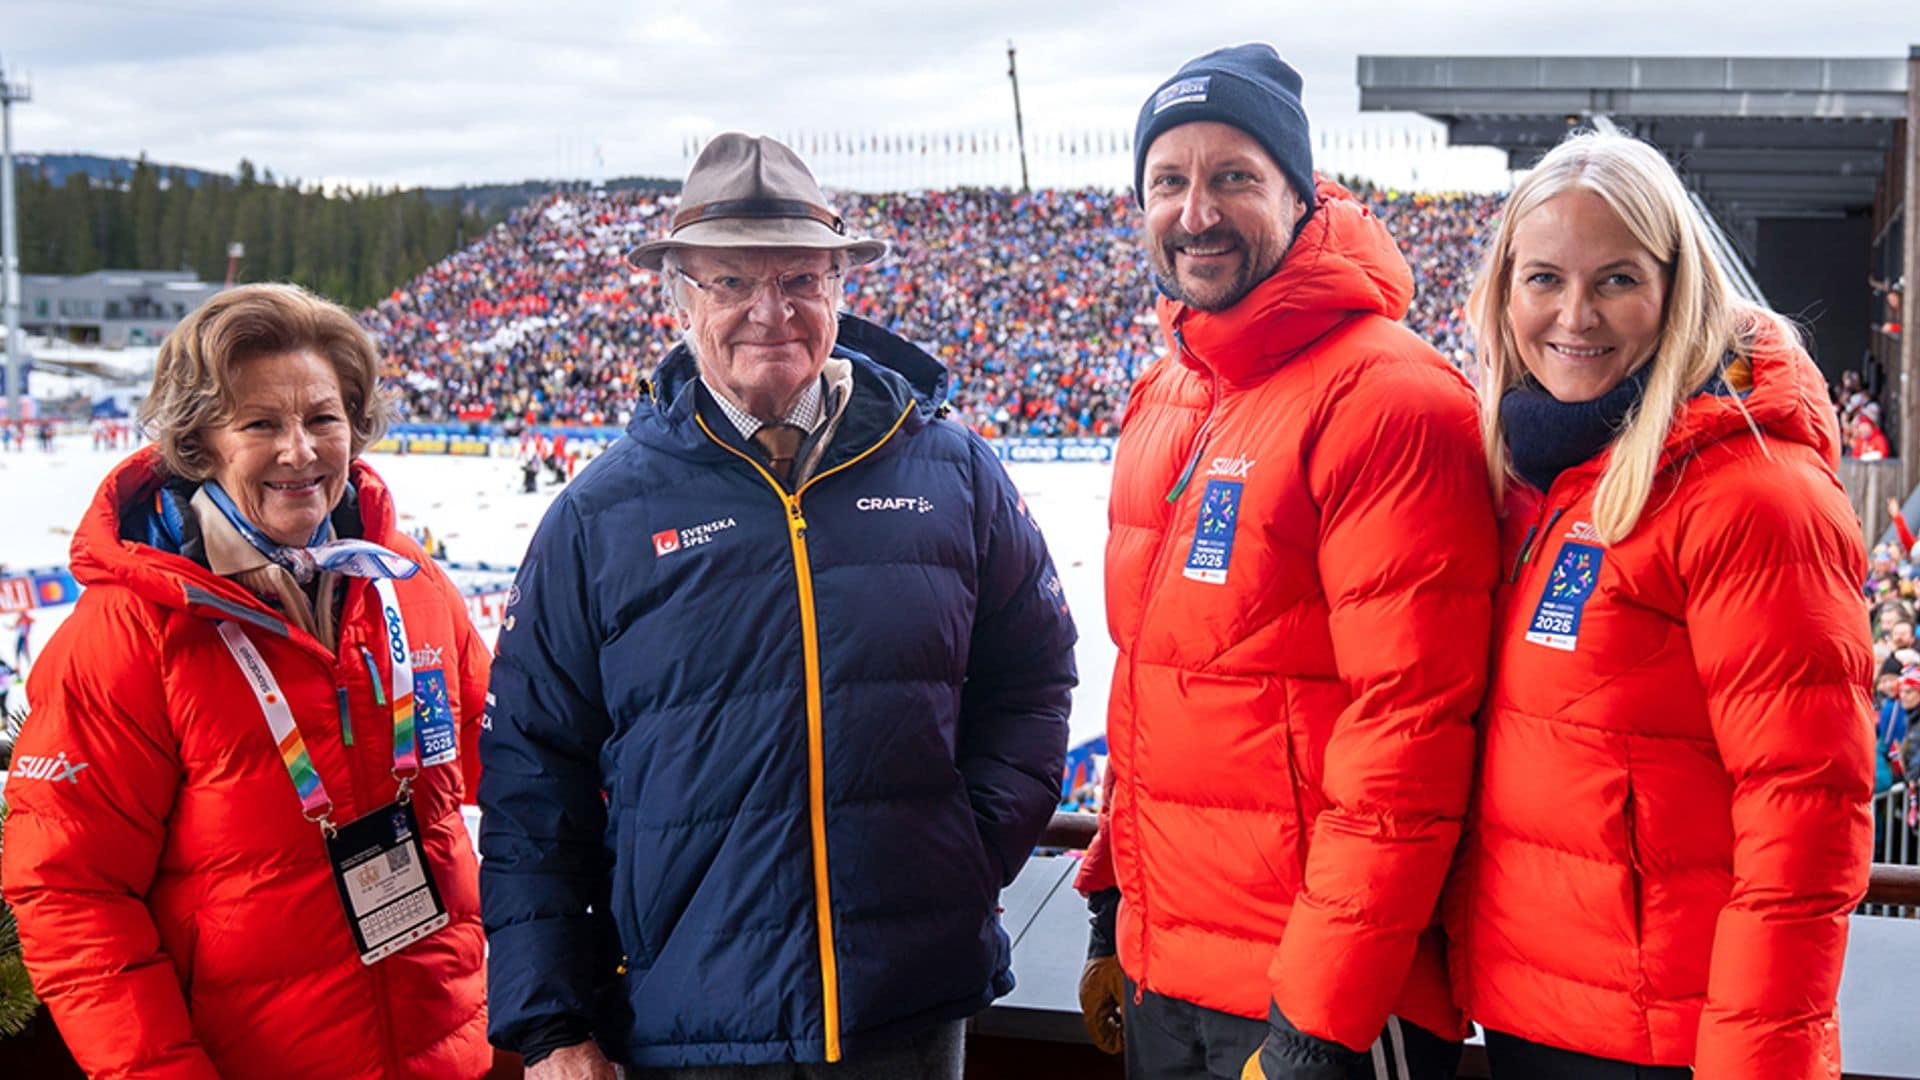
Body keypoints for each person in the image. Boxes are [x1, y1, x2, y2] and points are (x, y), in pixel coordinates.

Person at [479, 133, 1077, 1079]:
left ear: (841, 285)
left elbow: (1034, 677)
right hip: (687, 1017)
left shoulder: (953, 472)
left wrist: (963, 852)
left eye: (800, 276)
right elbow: (530, 781)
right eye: (729, 283)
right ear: (679, 297)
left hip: (908, 1007)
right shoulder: (600, 515)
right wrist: (550, 1021)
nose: (771, 311)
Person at [1073, 44, 1498, 1080]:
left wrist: (1319, 1023)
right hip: (1167, 978)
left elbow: (1408, 736)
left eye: (1235, 178)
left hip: (1315, 1002)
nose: (1197, 211)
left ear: (1302, 196)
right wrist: (1112, 909)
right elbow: (1155, 688)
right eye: (1168, 181)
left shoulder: (1389, 398)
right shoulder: (1166, 397)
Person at [1447, 131, 1873, 1079]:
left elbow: (1805, 818)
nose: (1574, 315)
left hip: (1669, 1043)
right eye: (1544, 278)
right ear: (1503, 292)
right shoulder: (1526, 481)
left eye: (1616, 281)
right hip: (1530, 1017)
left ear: (1677, 290)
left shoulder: (1756, 495)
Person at [1, 283, 493, 1078]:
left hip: (448, 1054)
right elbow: (71, 893)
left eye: (322, 419)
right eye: (261, 423)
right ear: (200, 443)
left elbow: (517, 764)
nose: (299, 451)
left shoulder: (412, 588)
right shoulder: (130, 634)